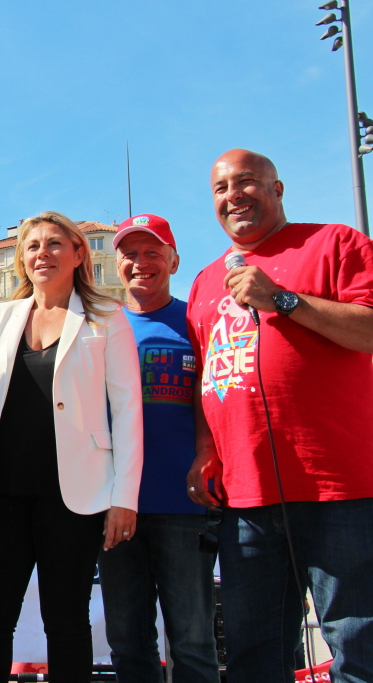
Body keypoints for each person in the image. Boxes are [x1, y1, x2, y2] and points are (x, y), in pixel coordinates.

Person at [186, 149, 373, 683]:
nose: (233, 196)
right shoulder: (204, 281)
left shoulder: (336, 243)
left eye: (246, 182)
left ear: (279, 188)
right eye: (220, 189)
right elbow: (207, 378)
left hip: (338, 487)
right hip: (246, 497)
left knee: (356, 644)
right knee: (253, 654)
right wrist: (205, 450)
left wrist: (285, 300)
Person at [0, 211, 143, 683]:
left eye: (55, 243)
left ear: (79, 254)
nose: (43, 253)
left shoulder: (107, 317)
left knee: (67, 623)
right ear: (21, 258)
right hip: (4, 494)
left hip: (75, 498)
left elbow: (128, 411)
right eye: (33, 246)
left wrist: (124, 498)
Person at [97, 214, 219, 683]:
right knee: (128, 642)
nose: (141, 263)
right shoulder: (99, 326)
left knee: (193, 640)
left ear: (174, 260)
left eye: (153, 252)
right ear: (117, 262)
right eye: (130, 253)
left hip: (184, 506)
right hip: (115, 506)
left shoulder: (197, 321)